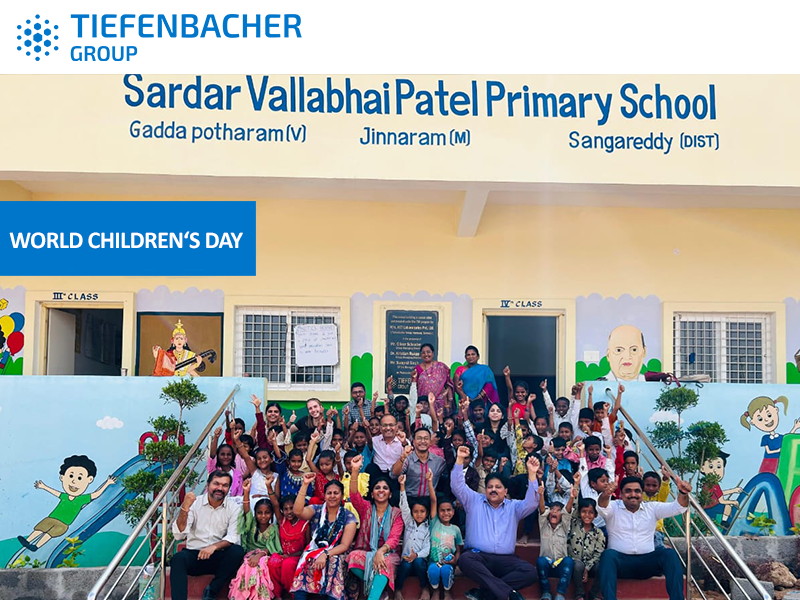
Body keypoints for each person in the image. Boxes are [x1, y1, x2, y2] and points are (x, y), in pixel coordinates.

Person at [452, 445, 540, 600]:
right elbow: (457, 486)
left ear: (505, 491)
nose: (493, 490)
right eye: (490, 487)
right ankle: (508, 594)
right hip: (479, 558)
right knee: (465, 560)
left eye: (498, 487)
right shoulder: (474, 501)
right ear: (485, 490)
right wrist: (459, 459)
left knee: (531, 572)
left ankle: (485, 593)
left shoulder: (514, 507)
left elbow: (532, 503)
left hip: (505, 561)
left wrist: (532, 475)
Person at [597, 474, 693, 600]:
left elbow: (678, 507)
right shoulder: (614, 507)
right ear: (621, 494)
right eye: (628, 491)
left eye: (637, 491)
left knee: (669, 554)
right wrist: (606, 494)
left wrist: (683, 492)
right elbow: (602, 507)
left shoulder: (651, 508)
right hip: (621, 564)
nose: (633, 494)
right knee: (608, 555)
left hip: (647, 563)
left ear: (642, 494)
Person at [170, 471, 244, 600]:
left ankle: (211, 591)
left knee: (237, 551)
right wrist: (185, 508)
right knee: (177, 559)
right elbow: (179, 534)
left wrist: (213, 547)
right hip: (195, 555)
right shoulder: (195, 503)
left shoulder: (234, 508)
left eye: (225, 485)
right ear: (208, 485)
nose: (220, 488)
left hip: (218, 557)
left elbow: (233, 537)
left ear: (229, 488)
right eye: (216, 484)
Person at [290, 475, 358, 600]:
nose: (332, 496)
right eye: (329, 493)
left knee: (334, 561)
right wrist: (305, 485)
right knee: (308, 557)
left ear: (342, 496)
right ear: (325, 495)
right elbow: (298, 512)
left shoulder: (349, 517)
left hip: (337, 552)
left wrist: (325, 554)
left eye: (336, 493)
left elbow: (344, 545)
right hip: (316, 549)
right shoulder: (317, 510)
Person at [347, 455, 405, 600]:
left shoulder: (396, 513)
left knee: (386, 563)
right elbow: (354, 496)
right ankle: (379, 589)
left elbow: (394, 538)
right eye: (377, 488)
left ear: (390, 494)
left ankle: (373, 597)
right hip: (367, 552)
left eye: (385, 488)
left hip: (389, 554)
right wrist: (355, 471)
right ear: (372, 494)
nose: (381, 490)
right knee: (352, 557)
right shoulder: (366, 508)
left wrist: (381, 552)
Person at [229, 478, 281, 600]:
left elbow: (272, 548)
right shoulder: (252, 524)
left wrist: (260, 555)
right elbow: (246, 510)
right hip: (249, 555)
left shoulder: (273, 528)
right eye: (259, 512)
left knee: (260, 565)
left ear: (271, 514)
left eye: (267, 513)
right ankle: (244, 595)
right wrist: (246, 492)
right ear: (256, 513)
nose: (263, 516)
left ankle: (258, 596)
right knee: (247, 564)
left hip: (264, 557)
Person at [396, 471, 436, 600]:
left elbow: (427, 547)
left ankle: (425, 588)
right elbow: (404, 505)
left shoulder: (428, 526)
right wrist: (402, 486)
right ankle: (398, 590)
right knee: (405, 565)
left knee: (419, 563)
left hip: (420, 562)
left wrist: (417, 555)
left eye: (422, 511)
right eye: (416, 511)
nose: (419, 514)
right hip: (406, 561)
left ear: (427, 512)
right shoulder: (409, 522)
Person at [536, 472, 576, 600]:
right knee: (540, 561)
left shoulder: (564, 526)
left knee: (569, 561)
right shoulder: (543, 525)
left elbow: (568, 511)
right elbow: (542, 510)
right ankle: (546, 593)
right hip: (546, 565)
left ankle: (560, 594)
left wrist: (571, 497)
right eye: (552, 509)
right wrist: (541, 495)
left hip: (560, 565)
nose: (554, 512)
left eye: (558, 510)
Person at [740, 395, 800, 474]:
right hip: (769, 463)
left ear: (776, 410)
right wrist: (780, 450)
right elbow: (768, 451)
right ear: (752, 422)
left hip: (780, 462)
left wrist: (795, 427)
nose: (766, 420)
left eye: (769, 415)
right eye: (760, 419)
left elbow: (787, 438)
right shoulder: (765, 438)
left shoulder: (780, 437)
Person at [268, 495, 309, 598]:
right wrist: (269, 486)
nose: (289, 511)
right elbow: (275, 504)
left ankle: (292, 592)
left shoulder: (305, 523)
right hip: (283, 555)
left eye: (292, 508)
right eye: (285, 509)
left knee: (287, 564)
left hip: (297, 556)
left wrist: (291, 556)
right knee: (273, 561)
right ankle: (277, 594)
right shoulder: (282, 520)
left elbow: (307, 548)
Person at [567, 494, 605, 600]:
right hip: (575, 563)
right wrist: (576, 485)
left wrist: (587, 568)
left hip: (590, 564)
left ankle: (594, 594)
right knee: (578, 565)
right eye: (583, 511)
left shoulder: (599, 533)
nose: (587, 515)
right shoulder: (574, 525)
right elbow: (573, 506)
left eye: (591, 512)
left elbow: (598, 553)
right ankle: (579, 594)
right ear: (579, 513)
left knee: (601, 566)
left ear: (596, 515)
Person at [391, 426, 446, 500]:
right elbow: (393, 475)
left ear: (430, 441)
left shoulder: (439, 461)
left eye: (426, 438)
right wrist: (403, 457)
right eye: (419, 438)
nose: (423, 441)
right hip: (409, 499)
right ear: (413, 441)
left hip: (429, 500)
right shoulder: (407, 458)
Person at [428, 494, 462, 600]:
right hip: (433, 562)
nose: (446, 513)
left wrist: (455, 560)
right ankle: (436, 590)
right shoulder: (434, 523)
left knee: (446, 571)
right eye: (442, 510)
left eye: (448, 510)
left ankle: (447, 591)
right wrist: (429, 481)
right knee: (433, 570)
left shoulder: (456, 529)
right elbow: (433, 500)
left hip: (448, 563)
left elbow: (458, 549)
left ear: (453, 511)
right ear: (437, 512)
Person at [414, 343, 455, 417]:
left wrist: (449, 400)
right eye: (423, 353)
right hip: (424, 404)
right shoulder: (417, 369)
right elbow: (414, 386)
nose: (426, 354)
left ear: (433, 353)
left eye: (428, 352)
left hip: (440, 401)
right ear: (420, 355)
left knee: (440, 421)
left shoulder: (441, 366)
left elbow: (448, 384)